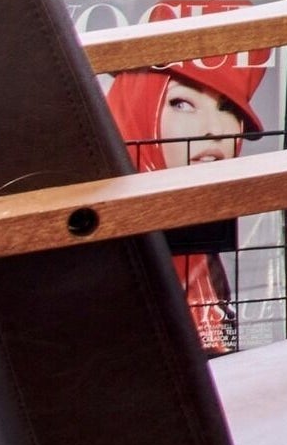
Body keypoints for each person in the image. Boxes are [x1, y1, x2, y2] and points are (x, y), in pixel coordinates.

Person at [100, 46, 271, 355]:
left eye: (228, 108)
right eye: (182, 103)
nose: (215, 130)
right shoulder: (107, 255)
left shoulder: (209, 259)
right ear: (138, 113)